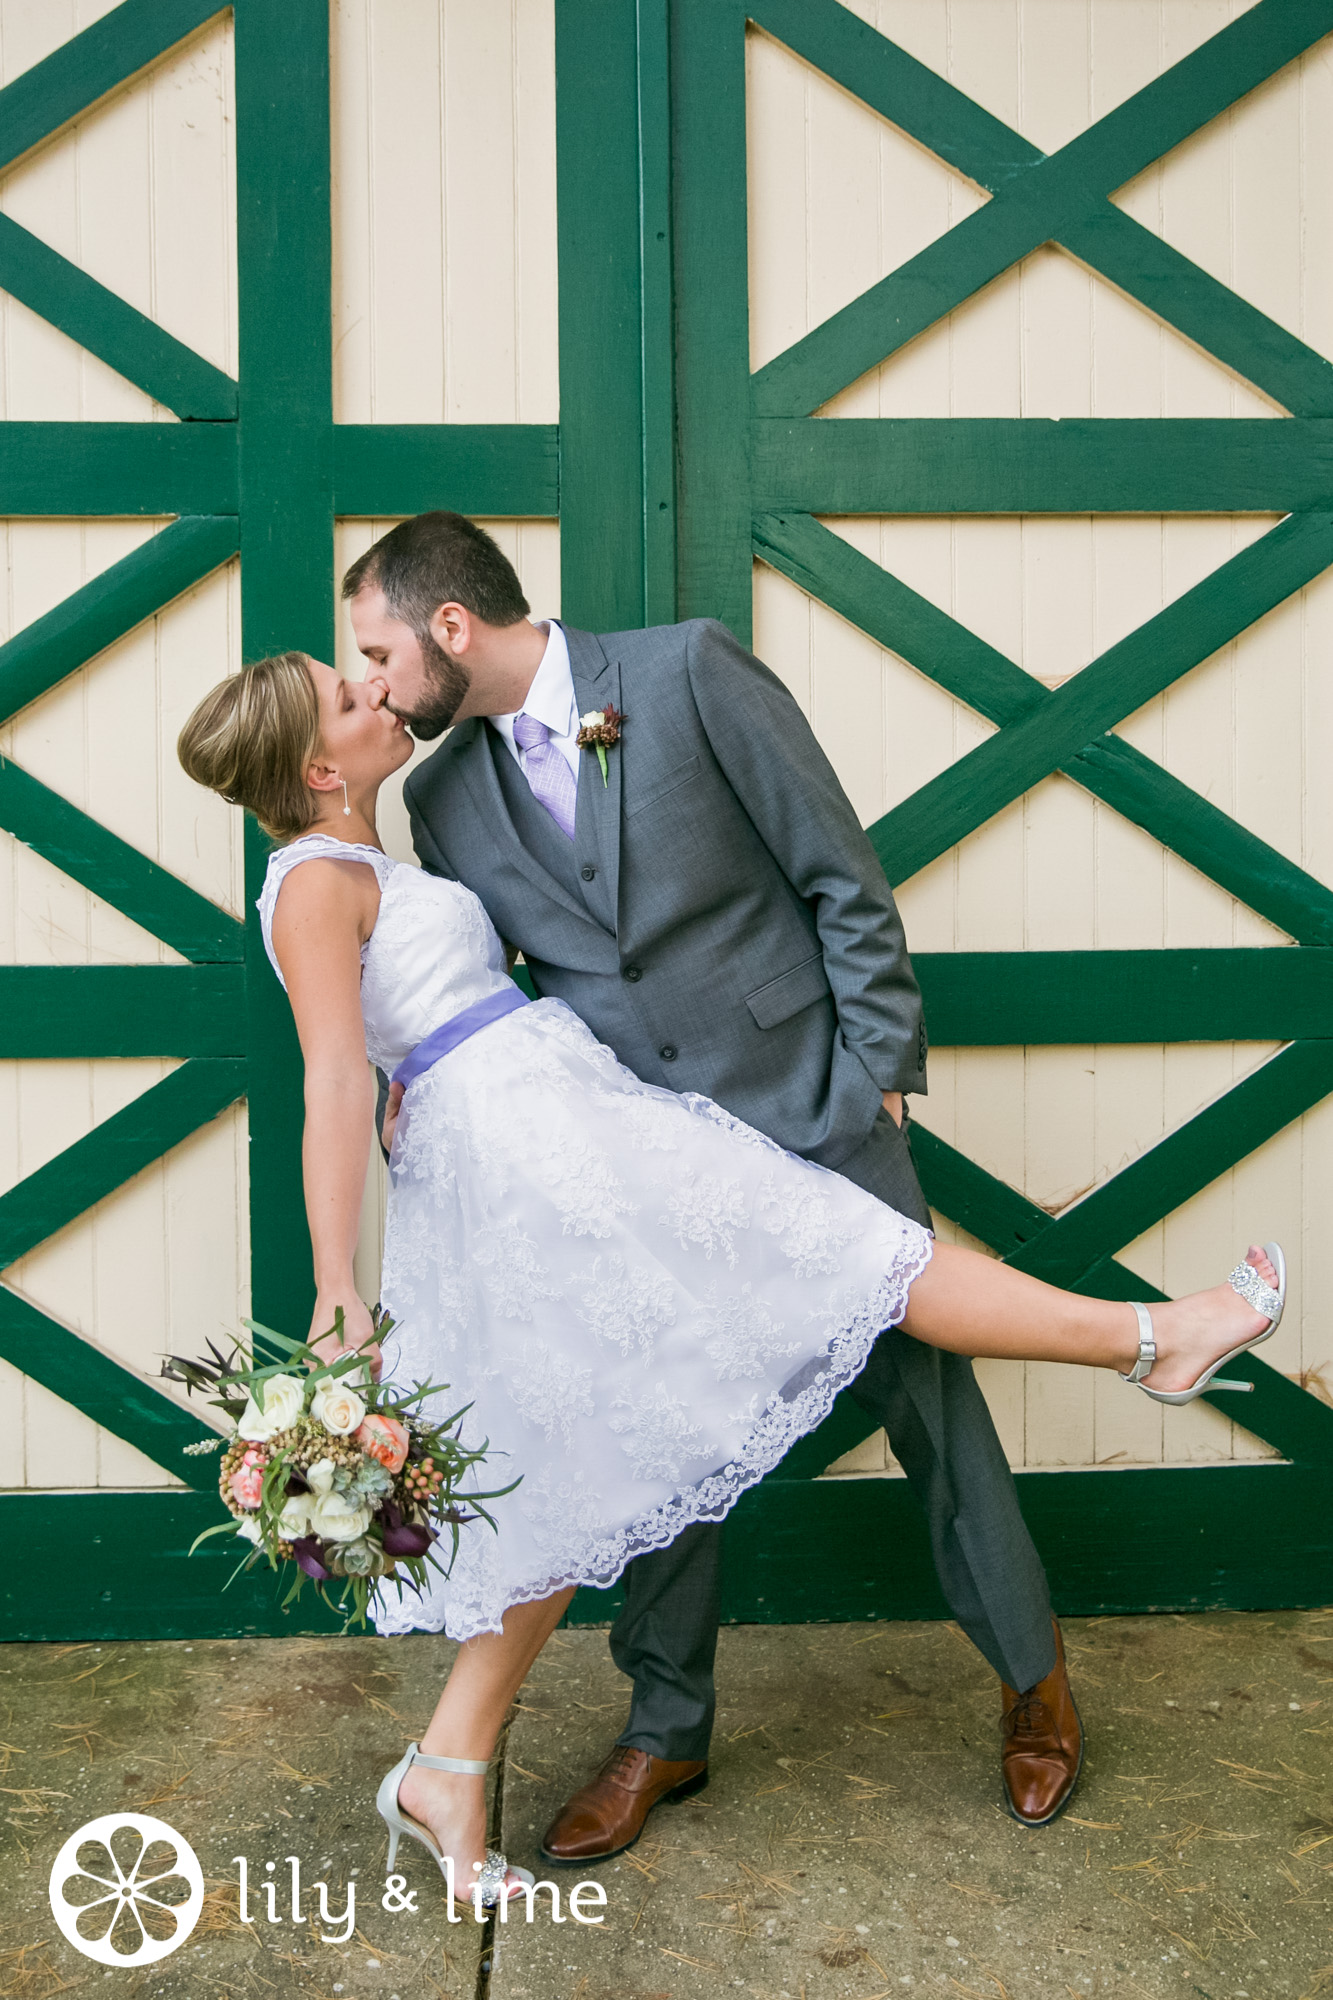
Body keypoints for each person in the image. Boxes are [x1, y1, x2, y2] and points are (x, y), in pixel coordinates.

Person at [177, 645, 1284, 1906]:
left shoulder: (366, 856)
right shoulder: (318, 877)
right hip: (527, 1157)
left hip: (547, 1121)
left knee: (626, 1427)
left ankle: (450, 1762)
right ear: (322, 766)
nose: (381, 691)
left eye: (366, 666)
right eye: (352, 691)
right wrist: (338, 1281)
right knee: (832, 1264)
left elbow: (388, 1031)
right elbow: (327, 1068)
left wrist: (403, 1079)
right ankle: (1156, 1337)